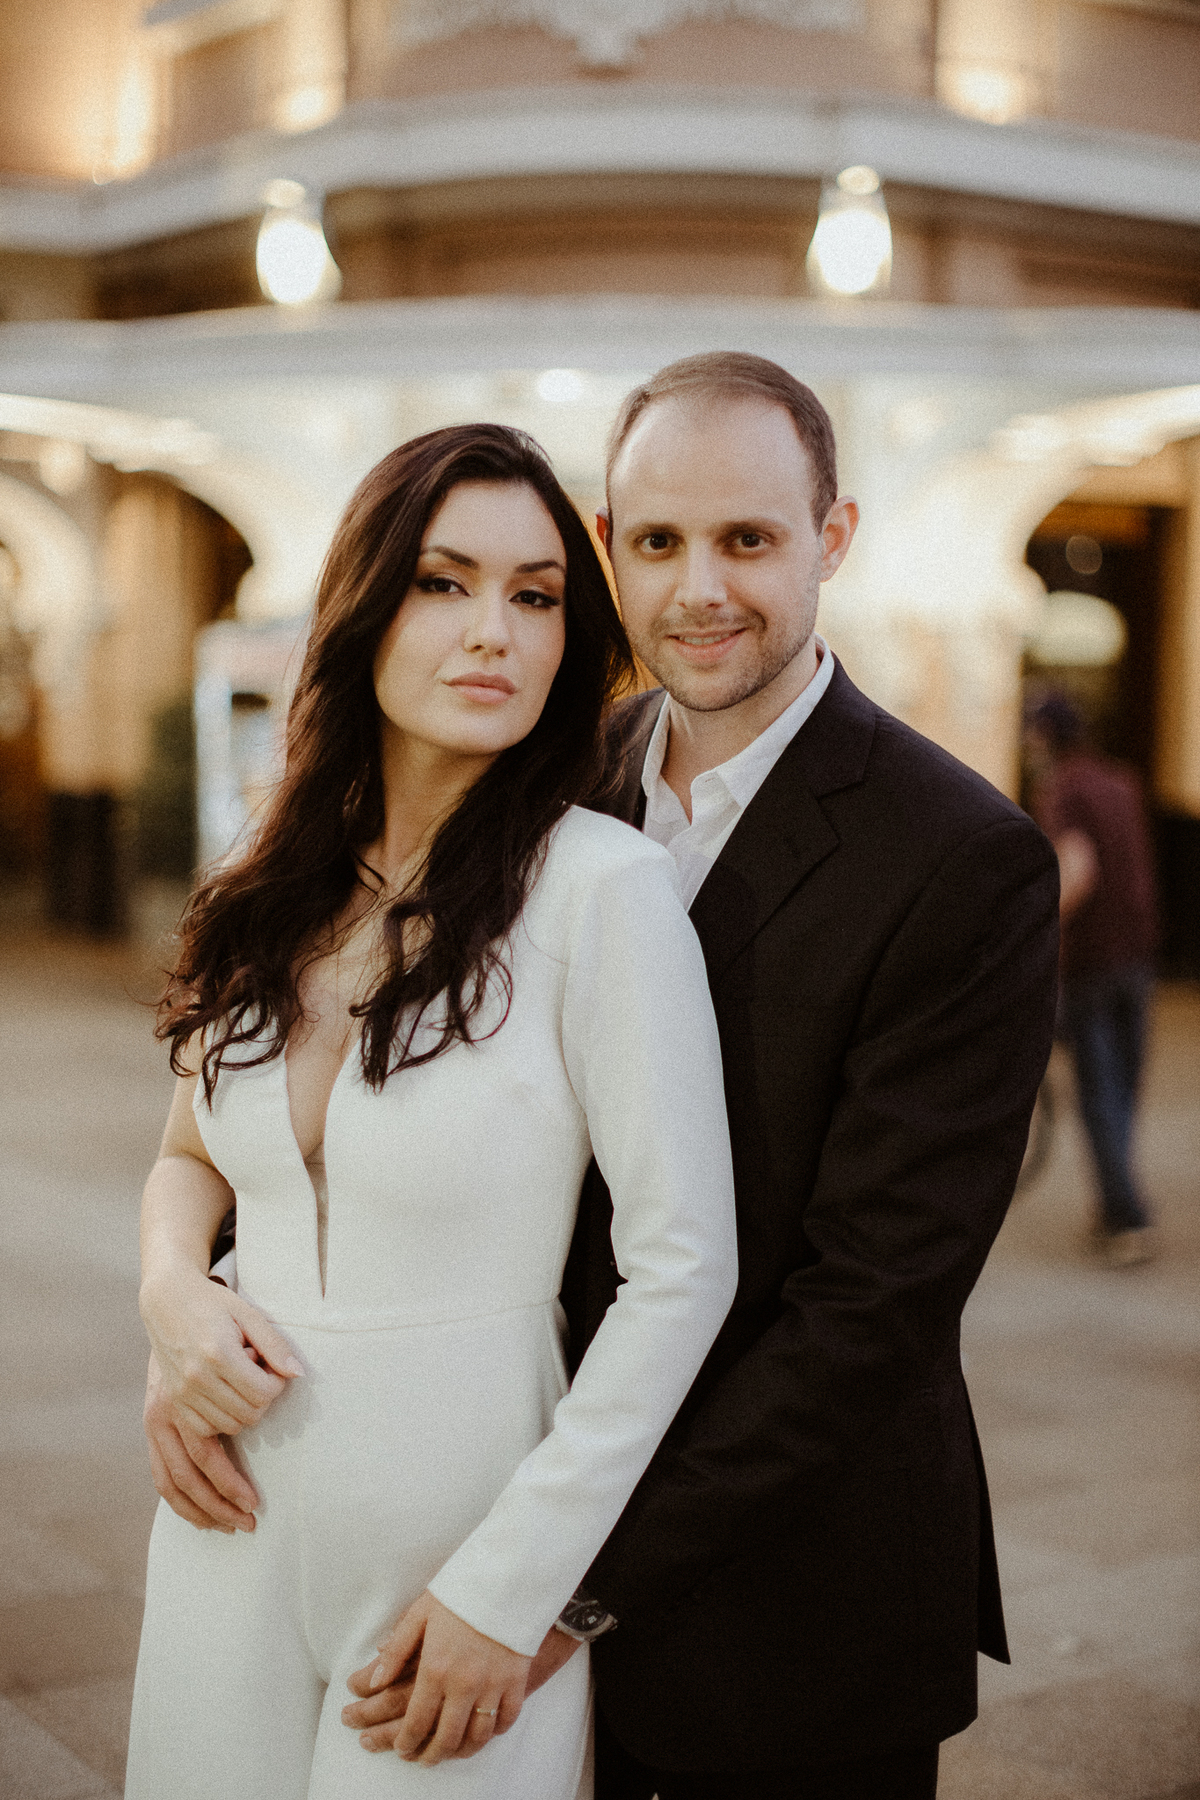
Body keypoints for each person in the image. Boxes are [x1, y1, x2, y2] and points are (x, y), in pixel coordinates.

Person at [146, 355, 1061, 1798]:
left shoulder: (960, 858)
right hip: (466, 1517)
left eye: (747, 539)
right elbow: (247, 1142)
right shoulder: (542, 778)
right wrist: (181, 1314)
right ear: (611, 549)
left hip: (782, 1601)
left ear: (832, 538)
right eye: (658, 541)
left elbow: (868, 1311)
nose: (700, 588)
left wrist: (553, 1593)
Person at [125, 423, 739, 1800]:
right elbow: (190, 1157)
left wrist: (516, 1590)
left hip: (458, 1550)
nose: (494, 633)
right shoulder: (267, 872)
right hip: (226, 1508)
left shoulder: (601, 889)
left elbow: (685, 1269)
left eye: (536, 596)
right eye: (444, 582)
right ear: (366, 604)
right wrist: (171, 1301)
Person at [1025, 690, 1158, 1266]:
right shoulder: (1121, 782)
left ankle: (1125, 1218)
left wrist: (1031, 928)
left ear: (1048, 736)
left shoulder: (1064, 788)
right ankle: (1119, 1204)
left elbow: (1076, 867)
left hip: (1091, 962)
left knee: (1100, 1092)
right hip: (1139, 954)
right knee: (1122, 1089)